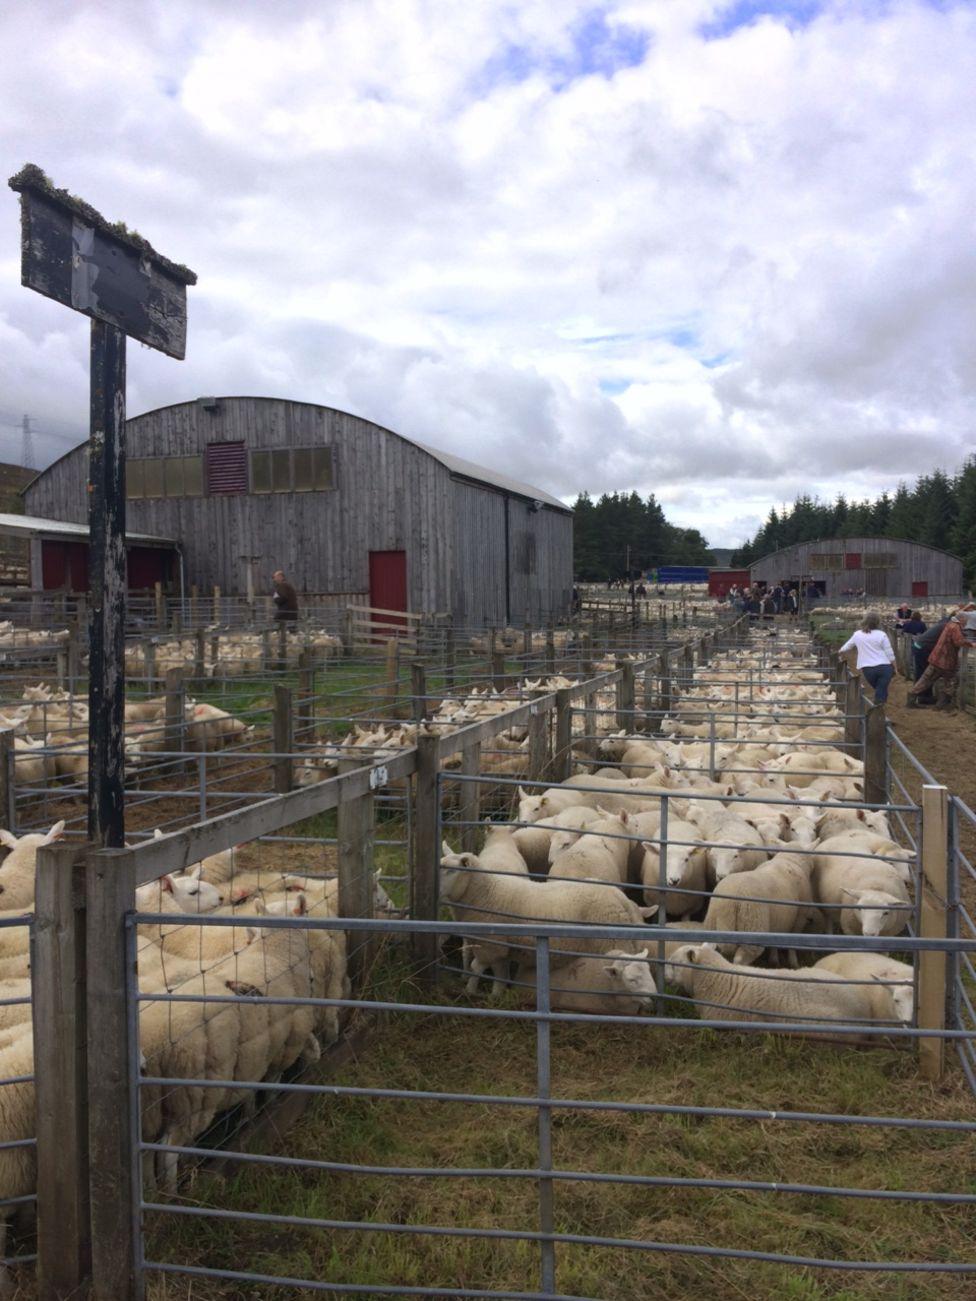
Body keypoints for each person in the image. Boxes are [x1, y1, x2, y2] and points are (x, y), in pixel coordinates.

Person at [907, 610, 976, 712]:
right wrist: (972, 644)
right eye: (966, 621)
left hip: (936, 657)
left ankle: (911, 698)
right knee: (951, 681)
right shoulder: (955, 627)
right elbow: (958, 641)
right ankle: (942, 704)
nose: (966, 623)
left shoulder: (949, 625)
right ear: (961, 619)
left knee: (926, 679)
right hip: (945, 660)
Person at [838, 612, 896, 705]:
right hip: (885, 667)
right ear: (877, 622)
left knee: (879, 688)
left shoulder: (857, 635)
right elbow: (889, 652)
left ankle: (879, 707)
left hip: (868, 668)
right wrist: (894, 666)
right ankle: (879, 707)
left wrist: (840, 651)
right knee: (881, 688)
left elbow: (848, 646)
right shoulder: (882, 634)